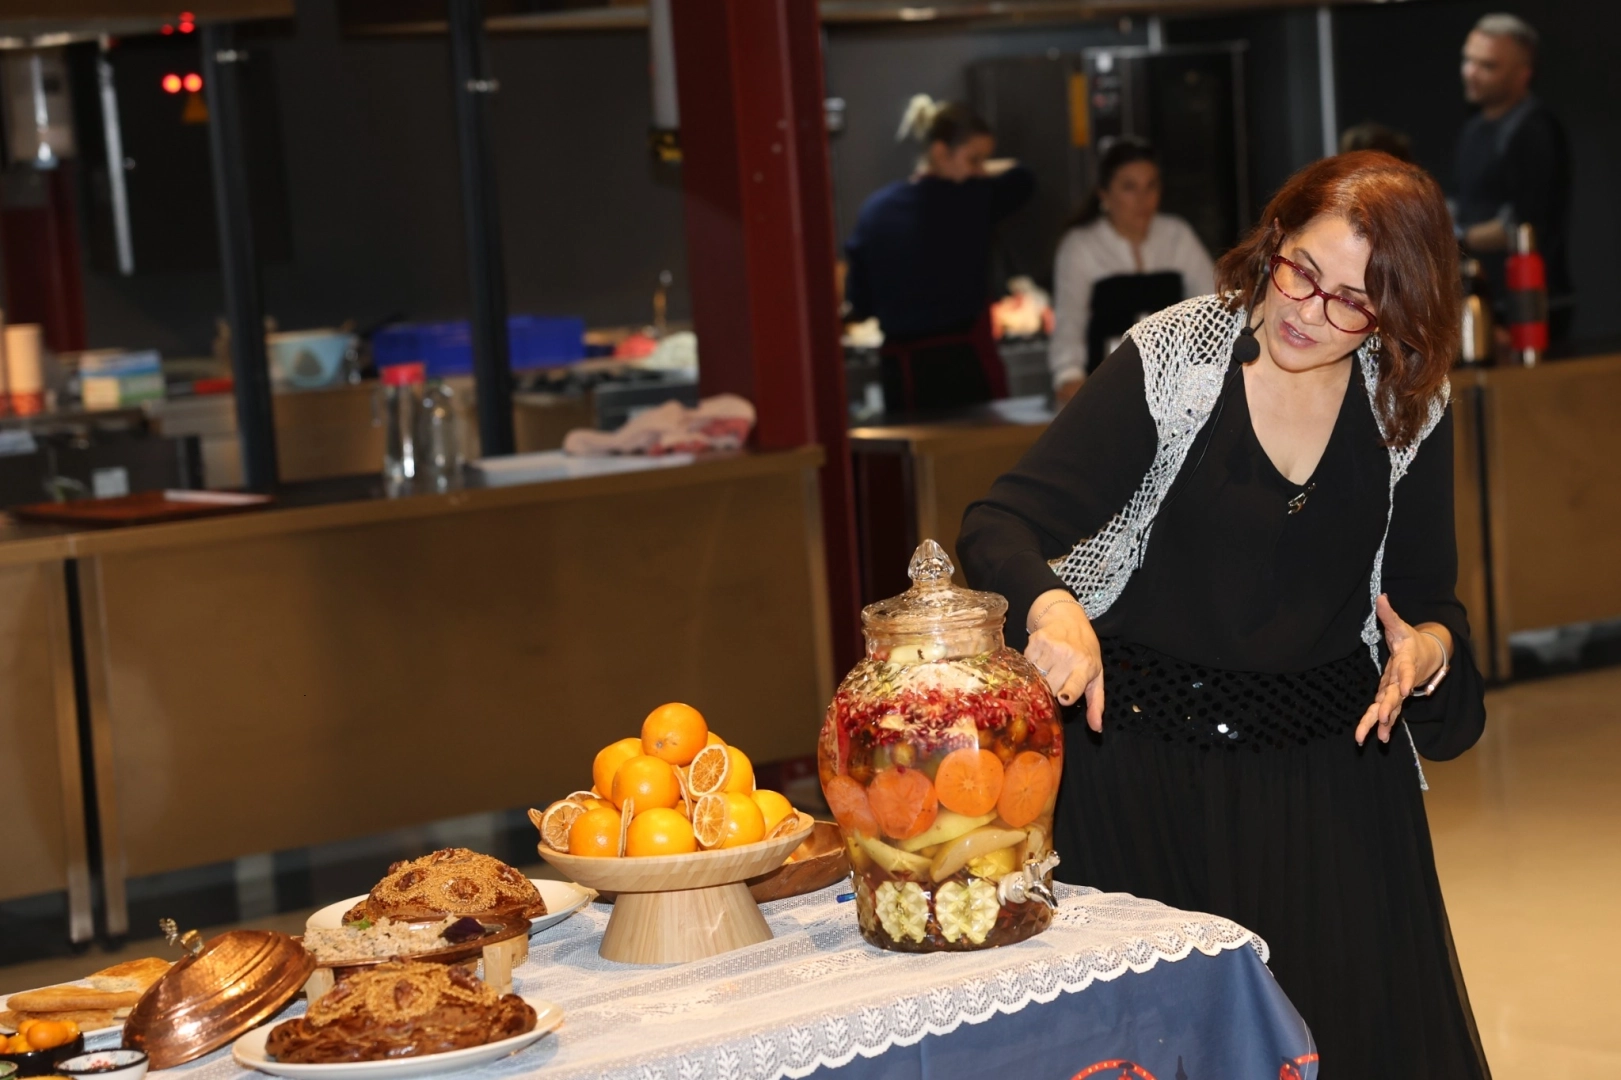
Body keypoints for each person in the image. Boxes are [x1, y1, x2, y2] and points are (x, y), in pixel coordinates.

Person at [959, 152, 1489, 1079]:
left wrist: (1428, 649)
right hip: (1143, 778)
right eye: (1299, 271)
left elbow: (1428, 600)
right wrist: (1053, 607)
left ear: (1395, 314)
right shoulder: (1174, 358)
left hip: (1330, 791)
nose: (1306, 311)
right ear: (1273, 239)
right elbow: (998, 522)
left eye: (1350, 303)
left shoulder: (1405, 399)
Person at [843, 96, 1035, 413]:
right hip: (964, 365)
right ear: (940, 152)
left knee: (914, 446)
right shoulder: (972, 200)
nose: (981, 171)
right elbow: (1024, 179)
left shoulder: (875, 209)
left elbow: (860, 301)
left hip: (901, 371)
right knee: (978, 444)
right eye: (974, 160)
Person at [1049, 138, 1214, 404]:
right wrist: (1068, 374)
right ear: (1104, 194)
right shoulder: (1080, 246)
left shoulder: (1177, 235)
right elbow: (1070, 320)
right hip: (1105, 388)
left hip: (1173, 389)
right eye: (1129, 188)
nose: (1143, 199)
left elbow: (1211, 307)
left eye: (1151, 186)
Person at [1454, 12, 1572, 335]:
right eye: (1468, 60)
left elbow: (1522, 224)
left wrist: (1457, 238)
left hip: (1529, 307)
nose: (1470, 72)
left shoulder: (1535, 131)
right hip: (1484, 301)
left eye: (1487, 66)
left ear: (1523, 74)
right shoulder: (1473, 130)